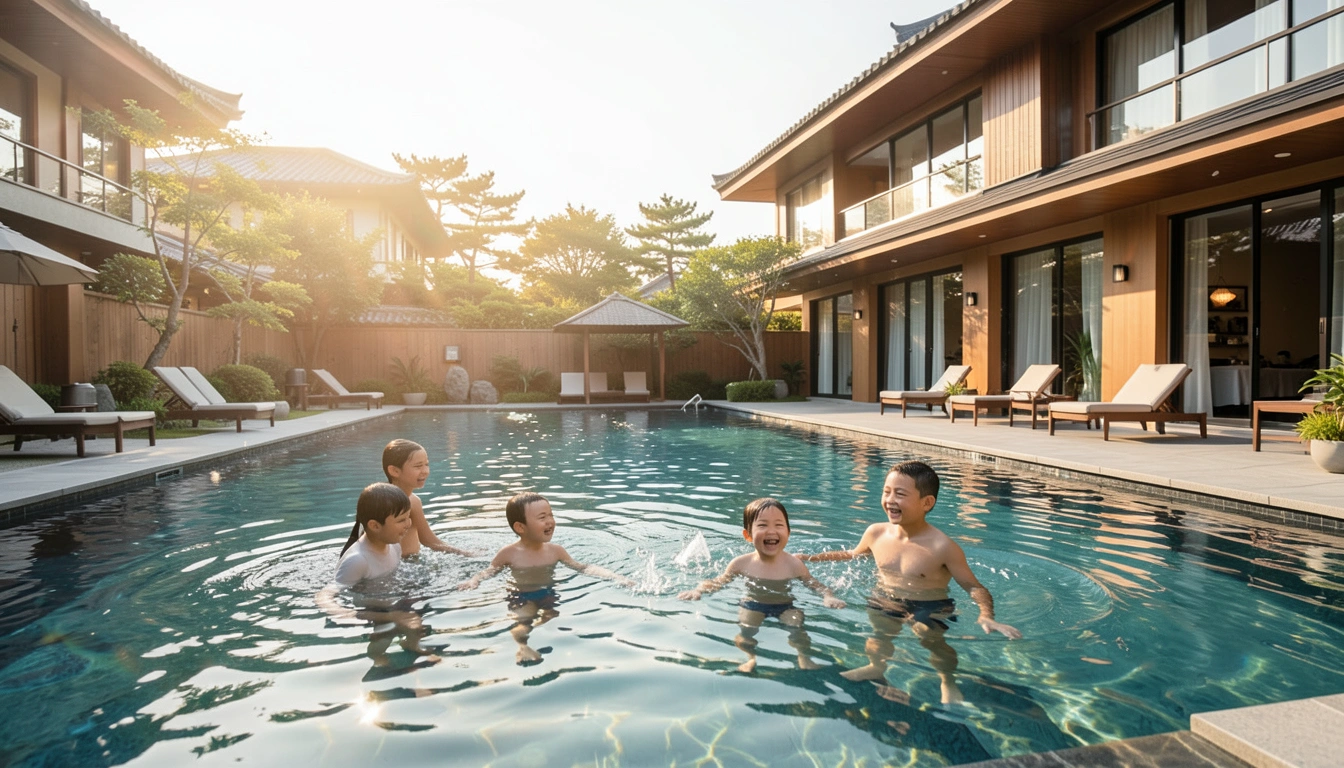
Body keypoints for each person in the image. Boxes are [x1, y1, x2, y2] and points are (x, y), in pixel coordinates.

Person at [801, 461, 1021, 704]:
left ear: (927, 503)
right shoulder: (876, 533)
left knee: (932, 642)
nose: (890, 500)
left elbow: (973, 586)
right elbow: (851, 555)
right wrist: (808, 558)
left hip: (929, 606)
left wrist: (986, 614)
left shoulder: (943, 547)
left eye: (900, 494)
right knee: (879, 637)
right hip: (885, 598)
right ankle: (876, 666)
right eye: (886, 491)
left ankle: (947, 680)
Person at [458, 492, 634, 664]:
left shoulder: (555, 551)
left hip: (548, 593)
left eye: (551, 515)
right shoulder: (509, 553)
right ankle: (522, 647)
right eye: (542, 517)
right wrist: (474, 580)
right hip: (521, 595)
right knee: (523, 622)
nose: (550, 521)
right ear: (520, 527)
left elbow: (583, 568)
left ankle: (552, 648)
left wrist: (616, 577)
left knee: (551, 617)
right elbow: (489, 571)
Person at [678, 498, 846, 673]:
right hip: (753, 604)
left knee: (798, 628)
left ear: (788, 532)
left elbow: (815, 585)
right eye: (763, 525)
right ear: (748, 535)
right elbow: (718, 582)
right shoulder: (741, 563)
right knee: (746, 631)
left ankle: (804, 657)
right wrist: (698, 590)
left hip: (786, 606)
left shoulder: (794, 564)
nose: (771, 531)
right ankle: (750, 658)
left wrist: (828, 596)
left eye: (779, 525)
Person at [315, 482, 436, 666]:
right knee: (385, 633)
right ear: (374, 525)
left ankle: (412, 644)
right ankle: (377, 657)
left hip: (390, 600)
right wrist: (348, 614)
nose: (409, 524)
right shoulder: (358, 560)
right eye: (401, 520)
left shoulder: (393, 545)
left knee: (417, 620)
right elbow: (324, 596)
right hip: (371, 611)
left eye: (408, 517)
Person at [383, 439, 472, 558]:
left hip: (410, 562)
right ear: (394, 471)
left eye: (426, 464)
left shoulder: (413, 500)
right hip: (403, 566)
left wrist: (465, 553)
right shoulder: (387, 502)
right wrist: (468, 554)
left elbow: (428, 540)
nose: (425, 471)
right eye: (418, 466)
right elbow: (430, 541)